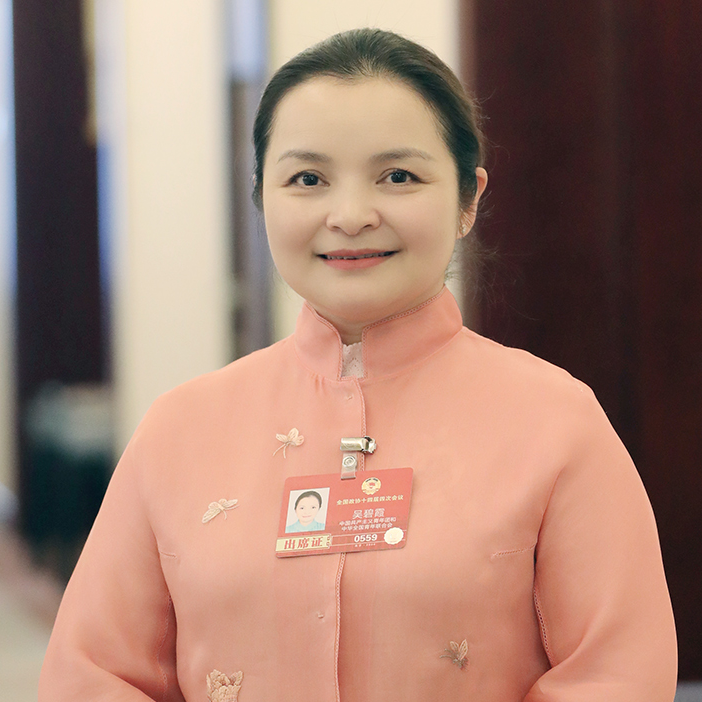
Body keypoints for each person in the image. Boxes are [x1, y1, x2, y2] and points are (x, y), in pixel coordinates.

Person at [39, 28, 677, 701]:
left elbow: (617, 675)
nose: (349, 215)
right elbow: (91, 675)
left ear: (468, 198)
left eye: (398, 176)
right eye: (308, 179)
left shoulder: (556, 424)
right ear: (261, 196)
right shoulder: (180, 430)